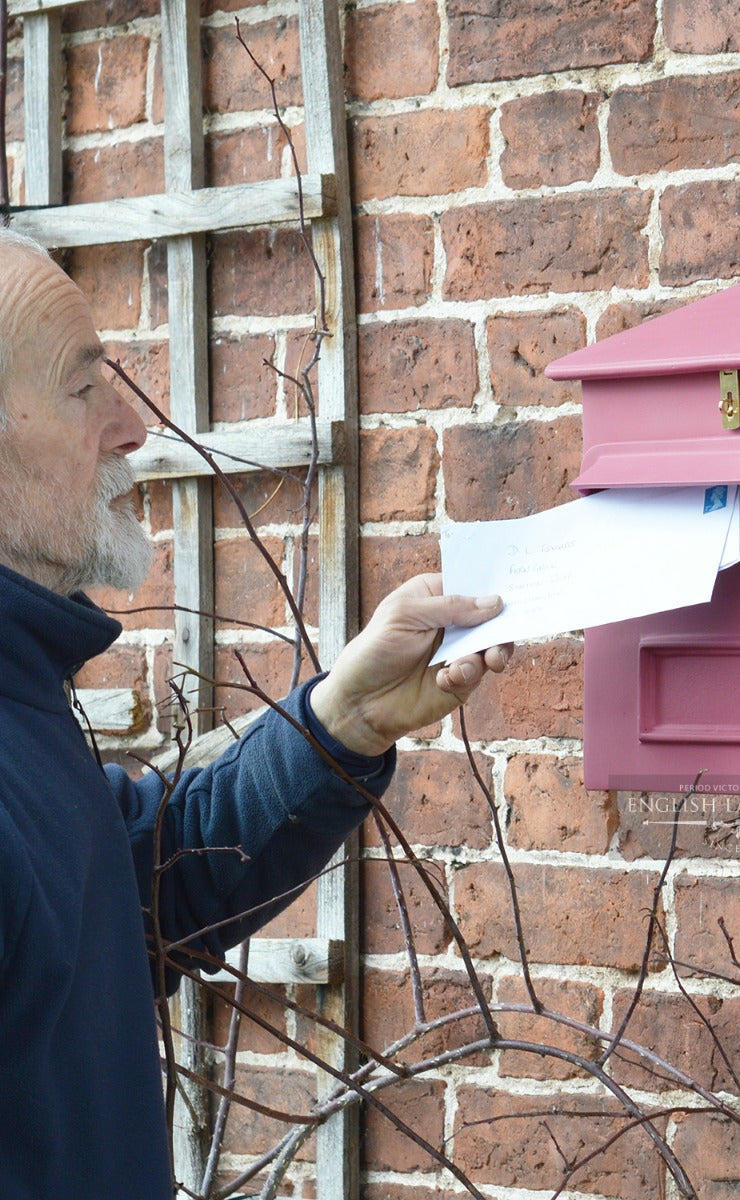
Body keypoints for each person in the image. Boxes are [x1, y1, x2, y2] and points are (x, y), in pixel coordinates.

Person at [0, 228, 510, 1198]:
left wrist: (342, 722)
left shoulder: (22, 701)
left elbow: (137, 885)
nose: (130, 426)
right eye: (81, 388)